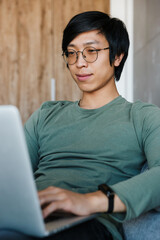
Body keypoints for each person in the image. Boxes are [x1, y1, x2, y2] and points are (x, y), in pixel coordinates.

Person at [1, 10, 160, 240]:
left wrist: (89, 201)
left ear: (117, 57)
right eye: (72, 53)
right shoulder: (46, 114)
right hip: (30, 219)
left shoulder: (142, 116)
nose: (79, 62)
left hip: (90, 224)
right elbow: (11, 174)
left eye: (91, 51)